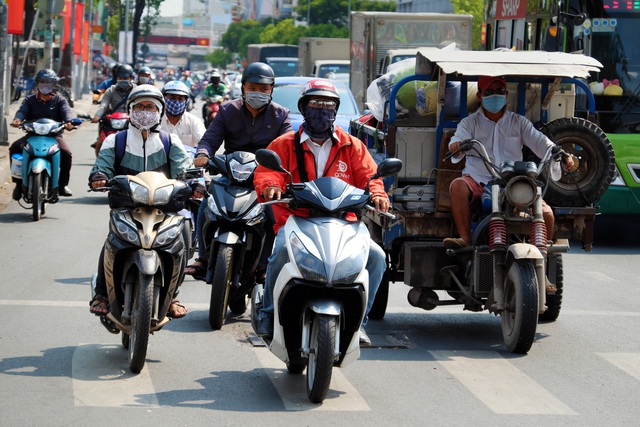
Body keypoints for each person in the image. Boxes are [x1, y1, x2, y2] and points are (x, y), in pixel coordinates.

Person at [252, 78, 389, 347]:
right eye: (316, 104)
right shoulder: (283, 143)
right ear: (304, 108)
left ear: (335, 110)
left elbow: (370, 176)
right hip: (298, 220)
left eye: (328, 105)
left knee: (377, 257)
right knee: (279, 253)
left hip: (344, 223)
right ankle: (268, 314)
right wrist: (271, 187)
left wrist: (377, 193)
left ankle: (359, 323)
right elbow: (268, 172)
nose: (322, 110)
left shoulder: (352, 146)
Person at [443, 76, 574, 278]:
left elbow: (541, 143)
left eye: (499, 91)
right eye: (489, 92)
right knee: (458, 186)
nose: (494, 96)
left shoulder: (518, 122)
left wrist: (559, 153)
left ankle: (542, 265)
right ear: (479, 96)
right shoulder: (469, 123)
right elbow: (458, 139)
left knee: (546, 214)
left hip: (514, 183)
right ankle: (466, 244)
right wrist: (457, 144)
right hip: (479, 181)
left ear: (506, 95)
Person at [88, 84, 194, 318]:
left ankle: (173, 294)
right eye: (139, 107)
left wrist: (195, 184)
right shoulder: (115, 141)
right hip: (126, 206)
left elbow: (185, 169)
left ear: (159, 112)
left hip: (164, 207)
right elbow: (102, 166)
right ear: (130, 110)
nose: (145, 112)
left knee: (182, 242)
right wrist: (99, 177)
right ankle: (102, 294)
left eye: (150, 107)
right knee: (113, 242)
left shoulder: (170, 141)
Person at [184, 62, 292, 279]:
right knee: (207, 202)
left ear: (271, 89)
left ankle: (263, 265)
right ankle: (203, 257)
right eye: (252, 87)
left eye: (264, 89)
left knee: (273, 212)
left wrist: (278, 170)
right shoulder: (227, 110)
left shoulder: (281, 115)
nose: (258, 92)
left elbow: (287, 146)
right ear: (243, 87)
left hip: (264, 178)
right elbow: (211, 138)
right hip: (231, 173)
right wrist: (203, 154)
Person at [9, 69, 75, 199]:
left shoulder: (60, 100)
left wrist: (69, 122)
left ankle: (62, 185)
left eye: (49, 83)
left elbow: (67, 113)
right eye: (42, 82)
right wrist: (17, 120)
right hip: (32, 135)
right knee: (14, 148)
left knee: (66, 153)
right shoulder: (29, 100)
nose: (45, 86)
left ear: (54, 84)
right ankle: (18, 184)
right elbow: (22, 111)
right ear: (37, 84)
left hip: (54, 136)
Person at [160, 80, 206, 151]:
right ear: (163, 99)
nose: (176, 103)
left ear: (186, 101)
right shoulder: (156, 121)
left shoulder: (193, 121)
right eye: (172, 98)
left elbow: (203, 143)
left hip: (188, 161)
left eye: (180, 99)